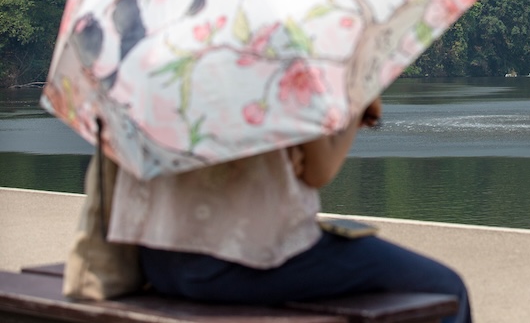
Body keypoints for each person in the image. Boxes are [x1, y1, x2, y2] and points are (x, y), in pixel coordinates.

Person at [107, 98, 471, 322]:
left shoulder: (157, 56)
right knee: (446, 287)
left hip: (158, 260)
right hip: (237, 267)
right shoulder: (278, 59)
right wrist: (356, 110)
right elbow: (319, 171)